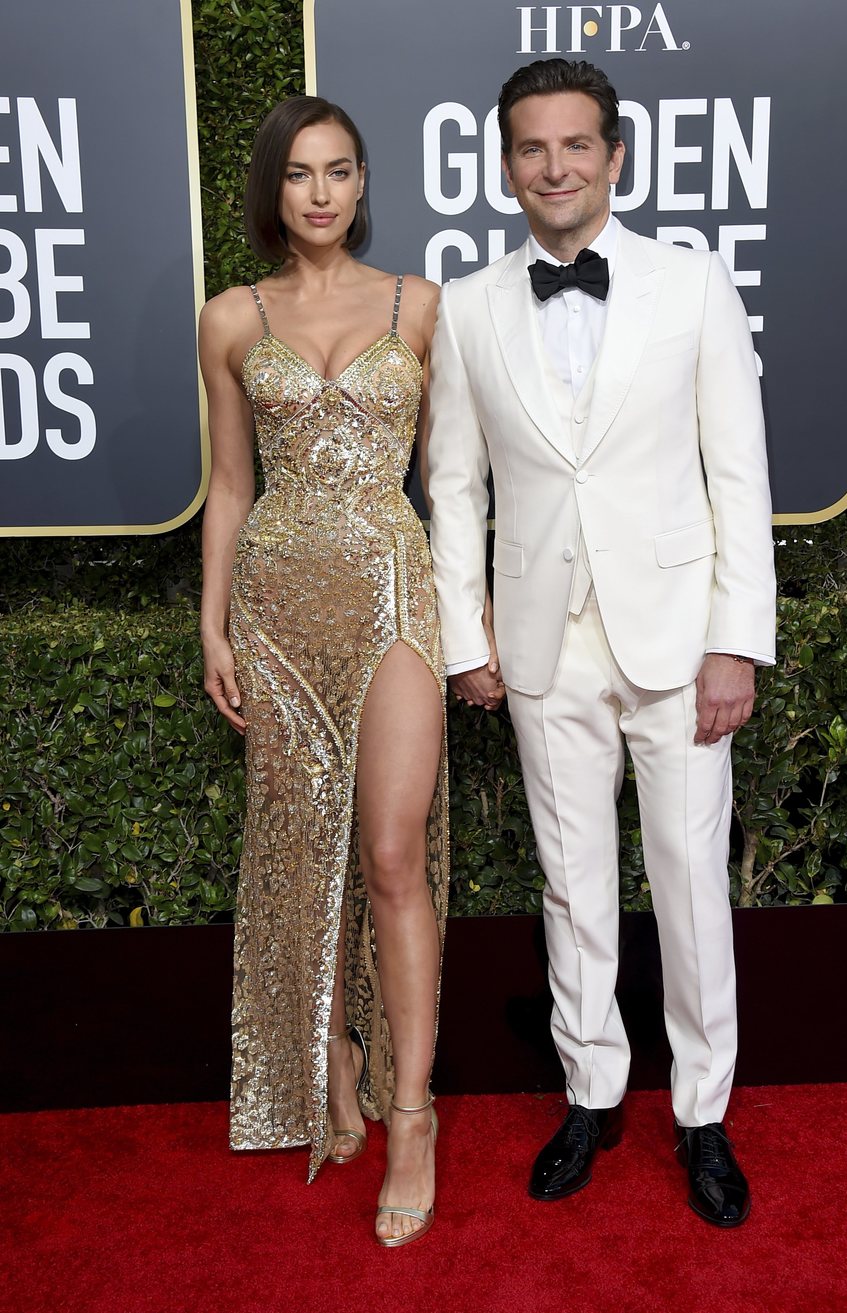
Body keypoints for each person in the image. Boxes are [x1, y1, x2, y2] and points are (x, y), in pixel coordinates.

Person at [427, 58, 776, 1228]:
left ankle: (703, 1114)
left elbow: (739, 473)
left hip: (679, 643)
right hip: (540, 642)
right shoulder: (470, 304)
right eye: (532, 148)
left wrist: (738, 642)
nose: (555, 167)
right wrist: (463, 634)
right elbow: (454, 485)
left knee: (689, 886)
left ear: (615, 157)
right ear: (507, 164)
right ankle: (590, 1090)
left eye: (577, 145)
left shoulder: (693, 285)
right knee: (570, 885)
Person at [198, 96, 446, 1247]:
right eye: (300, 173)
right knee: (306, 849)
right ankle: (331, 1056)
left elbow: (454, 482)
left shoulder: (420, 306)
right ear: (274, 188)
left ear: (361, 182)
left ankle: (412, 1113)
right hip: (279, 602)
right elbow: (232, 487)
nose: (321, 192)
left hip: (395, 587)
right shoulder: (231, 319)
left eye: (340, 170)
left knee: (393, 853)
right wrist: (215, 625)